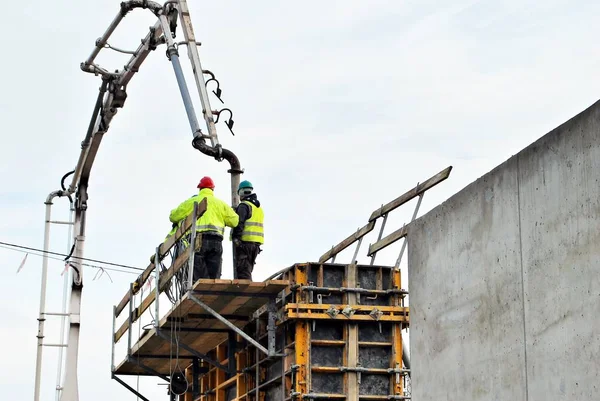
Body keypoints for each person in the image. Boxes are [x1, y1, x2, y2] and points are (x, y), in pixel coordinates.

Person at [169, 176, 239, 282]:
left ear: (200, 189)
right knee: (213, 278)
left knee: (198, 277)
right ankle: (211, 294)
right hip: (216, 241)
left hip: (198, 241)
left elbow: (173, 216)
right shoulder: (220, 204)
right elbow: (235, 221)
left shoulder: (192, 201)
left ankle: (198, 294)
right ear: (212, 189)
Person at [231, 180, 264, 280]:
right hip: (255, 245)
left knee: (243, 273)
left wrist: (236, 238)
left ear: (241, 192)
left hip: (245, 244)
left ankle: (247, 294)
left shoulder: (244, 206)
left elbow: (239, 223)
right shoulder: (258, 208)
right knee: (247, 270)